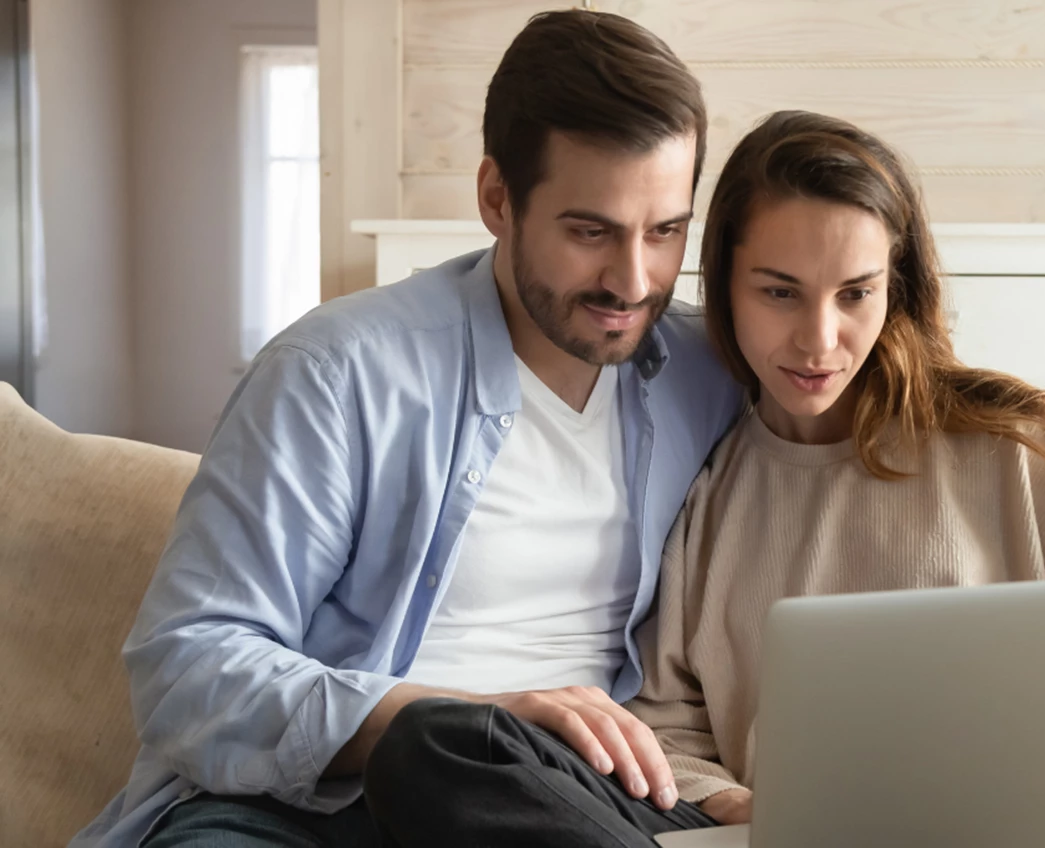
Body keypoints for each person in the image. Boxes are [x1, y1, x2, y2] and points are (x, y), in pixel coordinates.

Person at [363, 111, 1045, 846]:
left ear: (896, 286)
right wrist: (740, 804)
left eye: (856, 294)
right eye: (778, 292)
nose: (818, 340)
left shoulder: (1013, 449)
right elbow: (669, 727)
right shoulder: (708, 479)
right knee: (439, 747)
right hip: (760, 836)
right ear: (724, 286)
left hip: (1004, 831)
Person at [71, 10, 744, 848]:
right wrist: (454, 718)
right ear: (497, 198)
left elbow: (870, 398)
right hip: (313, 807)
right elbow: (188, 667)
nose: (633, 279)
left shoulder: (707, 372)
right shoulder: (339, 370)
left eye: (666, 232)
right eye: (589, 231)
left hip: (558, 806)